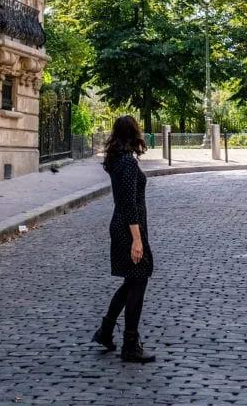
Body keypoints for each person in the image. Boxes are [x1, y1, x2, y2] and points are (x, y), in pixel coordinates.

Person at [92, 115, 155, 363]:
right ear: (134, 133)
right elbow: (130, 204)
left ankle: (106, 331)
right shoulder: (127, 163)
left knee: (131, 281)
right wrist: (137, 240)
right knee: (138, 281)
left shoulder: (118, 160)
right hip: (128, 230)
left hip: (121, 226)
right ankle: (130, 344)